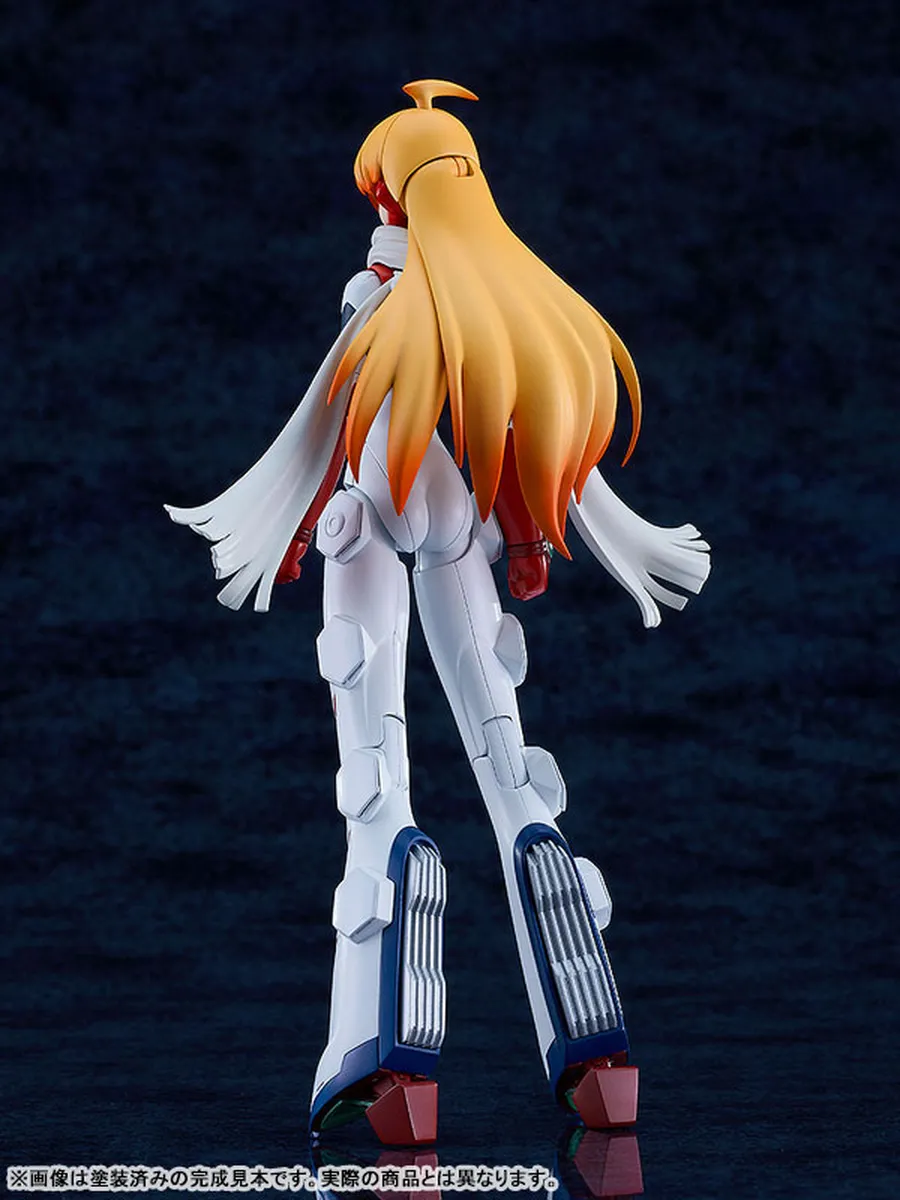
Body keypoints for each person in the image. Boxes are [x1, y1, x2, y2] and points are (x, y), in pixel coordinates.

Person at [166, 80, 711, 1145]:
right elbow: (509, 433)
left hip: (367, 528)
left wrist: (292, 531)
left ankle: (384, 1059)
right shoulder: (485, 292)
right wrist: (527, 541)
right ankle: (596, 1059)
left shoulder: (383, 297)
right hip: (458, 527)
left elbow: (332, 432)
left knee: (374, 775)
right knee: (509, 763)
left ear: (390, 198)